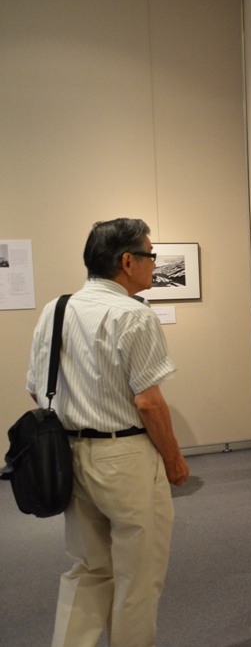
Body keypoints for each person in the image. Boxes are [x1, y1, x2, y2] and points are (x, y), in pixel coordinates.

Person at [25, 218, 189, 647]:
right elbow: (149, 403)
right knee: (138, 577)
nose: (155, 264)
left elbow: (34, 388)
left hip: (69, 454)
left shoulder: (55, 310)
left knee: (87, 570)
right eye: (151, 256)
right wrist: (173, 460)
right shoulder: (133, 315)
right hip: (126, 458)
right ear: (127, 261)